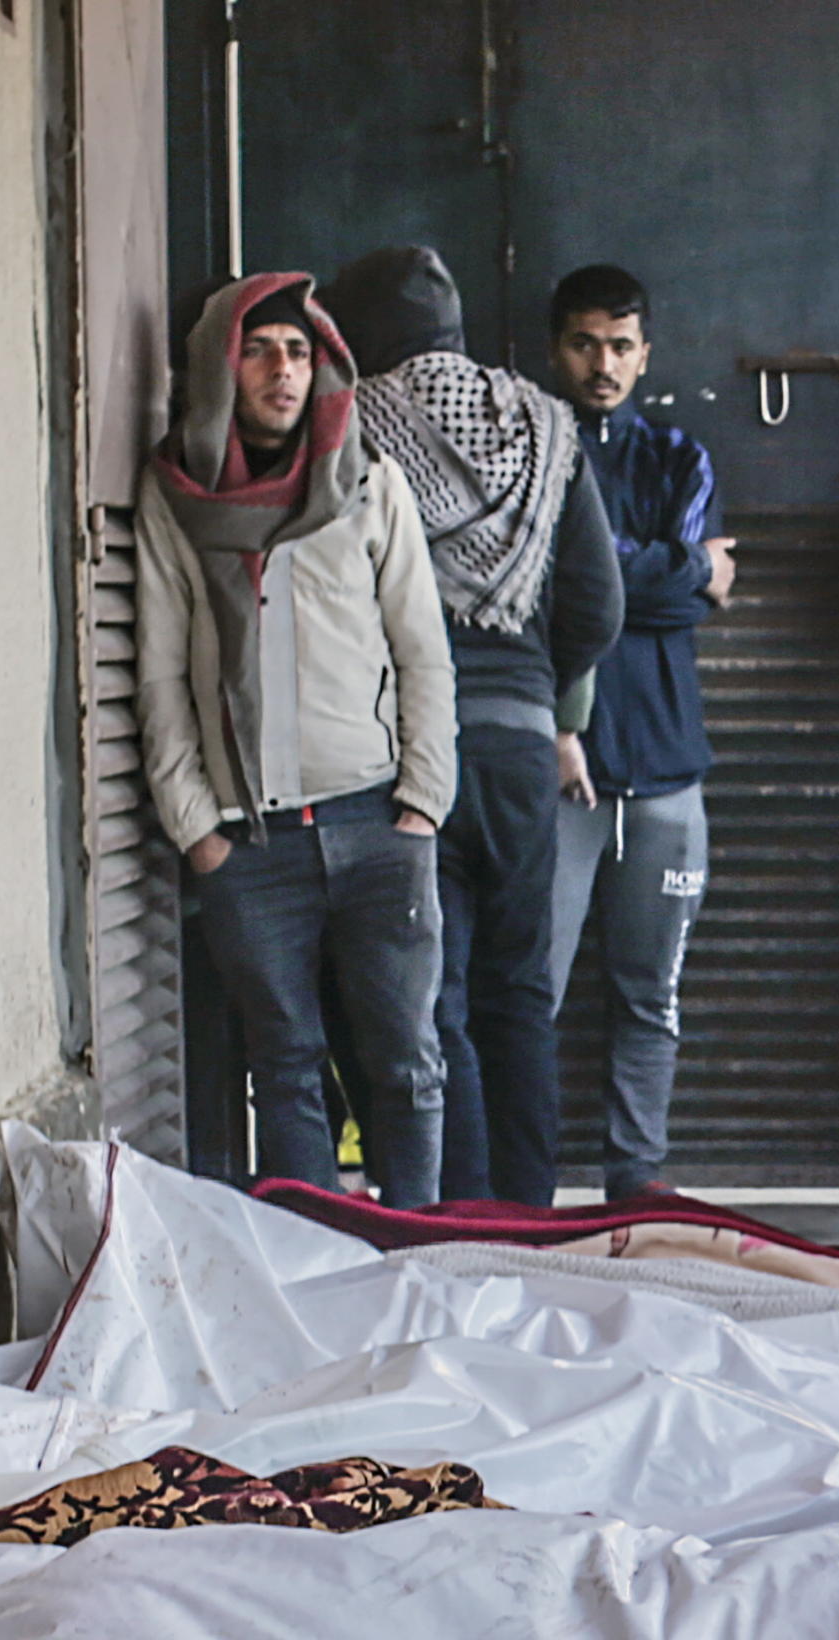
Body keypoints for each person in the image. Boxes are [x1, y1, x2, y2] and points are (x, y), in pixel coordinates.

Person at [131, 270, 457, 1207]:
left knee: (404, 1063)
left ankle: (415, 1256)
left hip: (377, 821)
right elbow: (158, 671)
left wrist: (422, 804)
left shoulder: (367, 485)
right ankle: (312, 1277)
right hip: (251, 843)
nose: (283, 370)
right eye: (260, 349)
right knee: (285, 1068)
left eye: (300, 351)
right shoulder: (178, 497)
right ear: (219, 365)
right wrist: (198, 829)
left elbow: (423, 653)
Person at [327, 244, 622, 1211]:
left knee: (435, 996)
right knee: (521, 994)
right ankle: (531, 1215)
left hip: (418, 749)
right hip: (524, 747)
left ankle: (462, 1214)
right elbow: (598, 604)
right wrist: (540, 681)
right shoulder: (543, 424)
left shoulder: (359, 423)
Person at [547, 262, 728, 1206]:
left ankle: (634, 1185)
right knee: (529, 987)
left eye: (620, 345)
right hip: (559, 766)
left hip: (663, 770)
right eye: (585, 343)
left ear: (645, 352)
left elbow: (673, 592)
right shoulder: (533, 449)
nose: (603, 363)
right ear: (556, 348)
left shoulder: (678, 458)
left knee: (649, 994)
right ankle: (521, 1184)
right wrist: (670, 570)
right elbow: (545, 589)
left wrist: (624, 574)